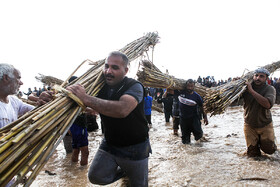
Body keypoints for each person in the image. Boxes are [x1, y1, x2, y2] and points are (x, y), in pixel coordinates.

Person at [67, 51, 151, 186]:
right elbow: (96, 106)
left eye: (115, 67)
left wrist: (86, 98)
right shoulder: (100, 86)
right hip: (110, 143)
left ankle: (131, 171)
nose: (108, 71)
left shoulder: (134, 86)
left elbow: (122, 109)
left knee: (138, 185)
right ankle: (125, 171)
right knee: (96, 177)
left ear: (126, 70)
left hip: (135, 146)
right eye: (106, 66)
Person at [0, 63, 50, 186]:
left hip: (8, 165)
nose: (21, 83)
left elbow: (36, 112)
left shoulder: (14, 102)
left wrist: (44, 102)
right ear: (6, 78)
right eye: (19, 78)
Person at [242, 68, 277, 157]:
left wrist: (252, 91)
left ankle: (273, 143)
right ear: (253, 76)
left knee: (269, 150)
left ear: (266, 79)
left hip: (265, 124)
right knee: (252, 154)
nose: (258, 78)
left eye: (261, 76)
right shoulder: (245, 88)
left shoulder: (270, 89)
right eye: (256, 75)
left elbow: (267, 104)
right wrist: (235, 84)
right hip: (249, 124)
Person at [179, 79, 208, 144]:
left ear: (194, 87)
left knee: (199, 136)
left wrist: (205, 118)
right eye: (188, 86)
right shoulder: (181, 93)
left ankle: (199, 151)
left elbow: (202, 107)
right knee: (185, 141)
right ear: (186, 86)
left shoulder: (197, 96)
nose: (190, 88)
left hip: (194, 119)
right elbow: (170, 90)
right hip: (183, 119)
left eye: (191, 86)